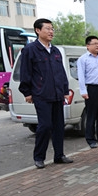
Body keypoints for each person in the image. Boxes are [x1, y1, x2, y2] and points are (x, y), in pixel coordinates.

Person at [18, 18, 73, 169]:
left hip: (57, 94)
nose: (51, 32)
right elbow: (25, 73)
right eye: (48, 29)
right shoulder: (30, 50)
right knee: (45, 125)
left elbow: (61, 73)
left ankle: (59, 155)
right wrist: (27, 92)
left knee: (59, 126)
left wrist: (65, 90)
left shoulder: (55, 51)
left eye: (52, 29)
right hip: (41, 94)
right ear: (37, 30)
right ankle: (39, 157)